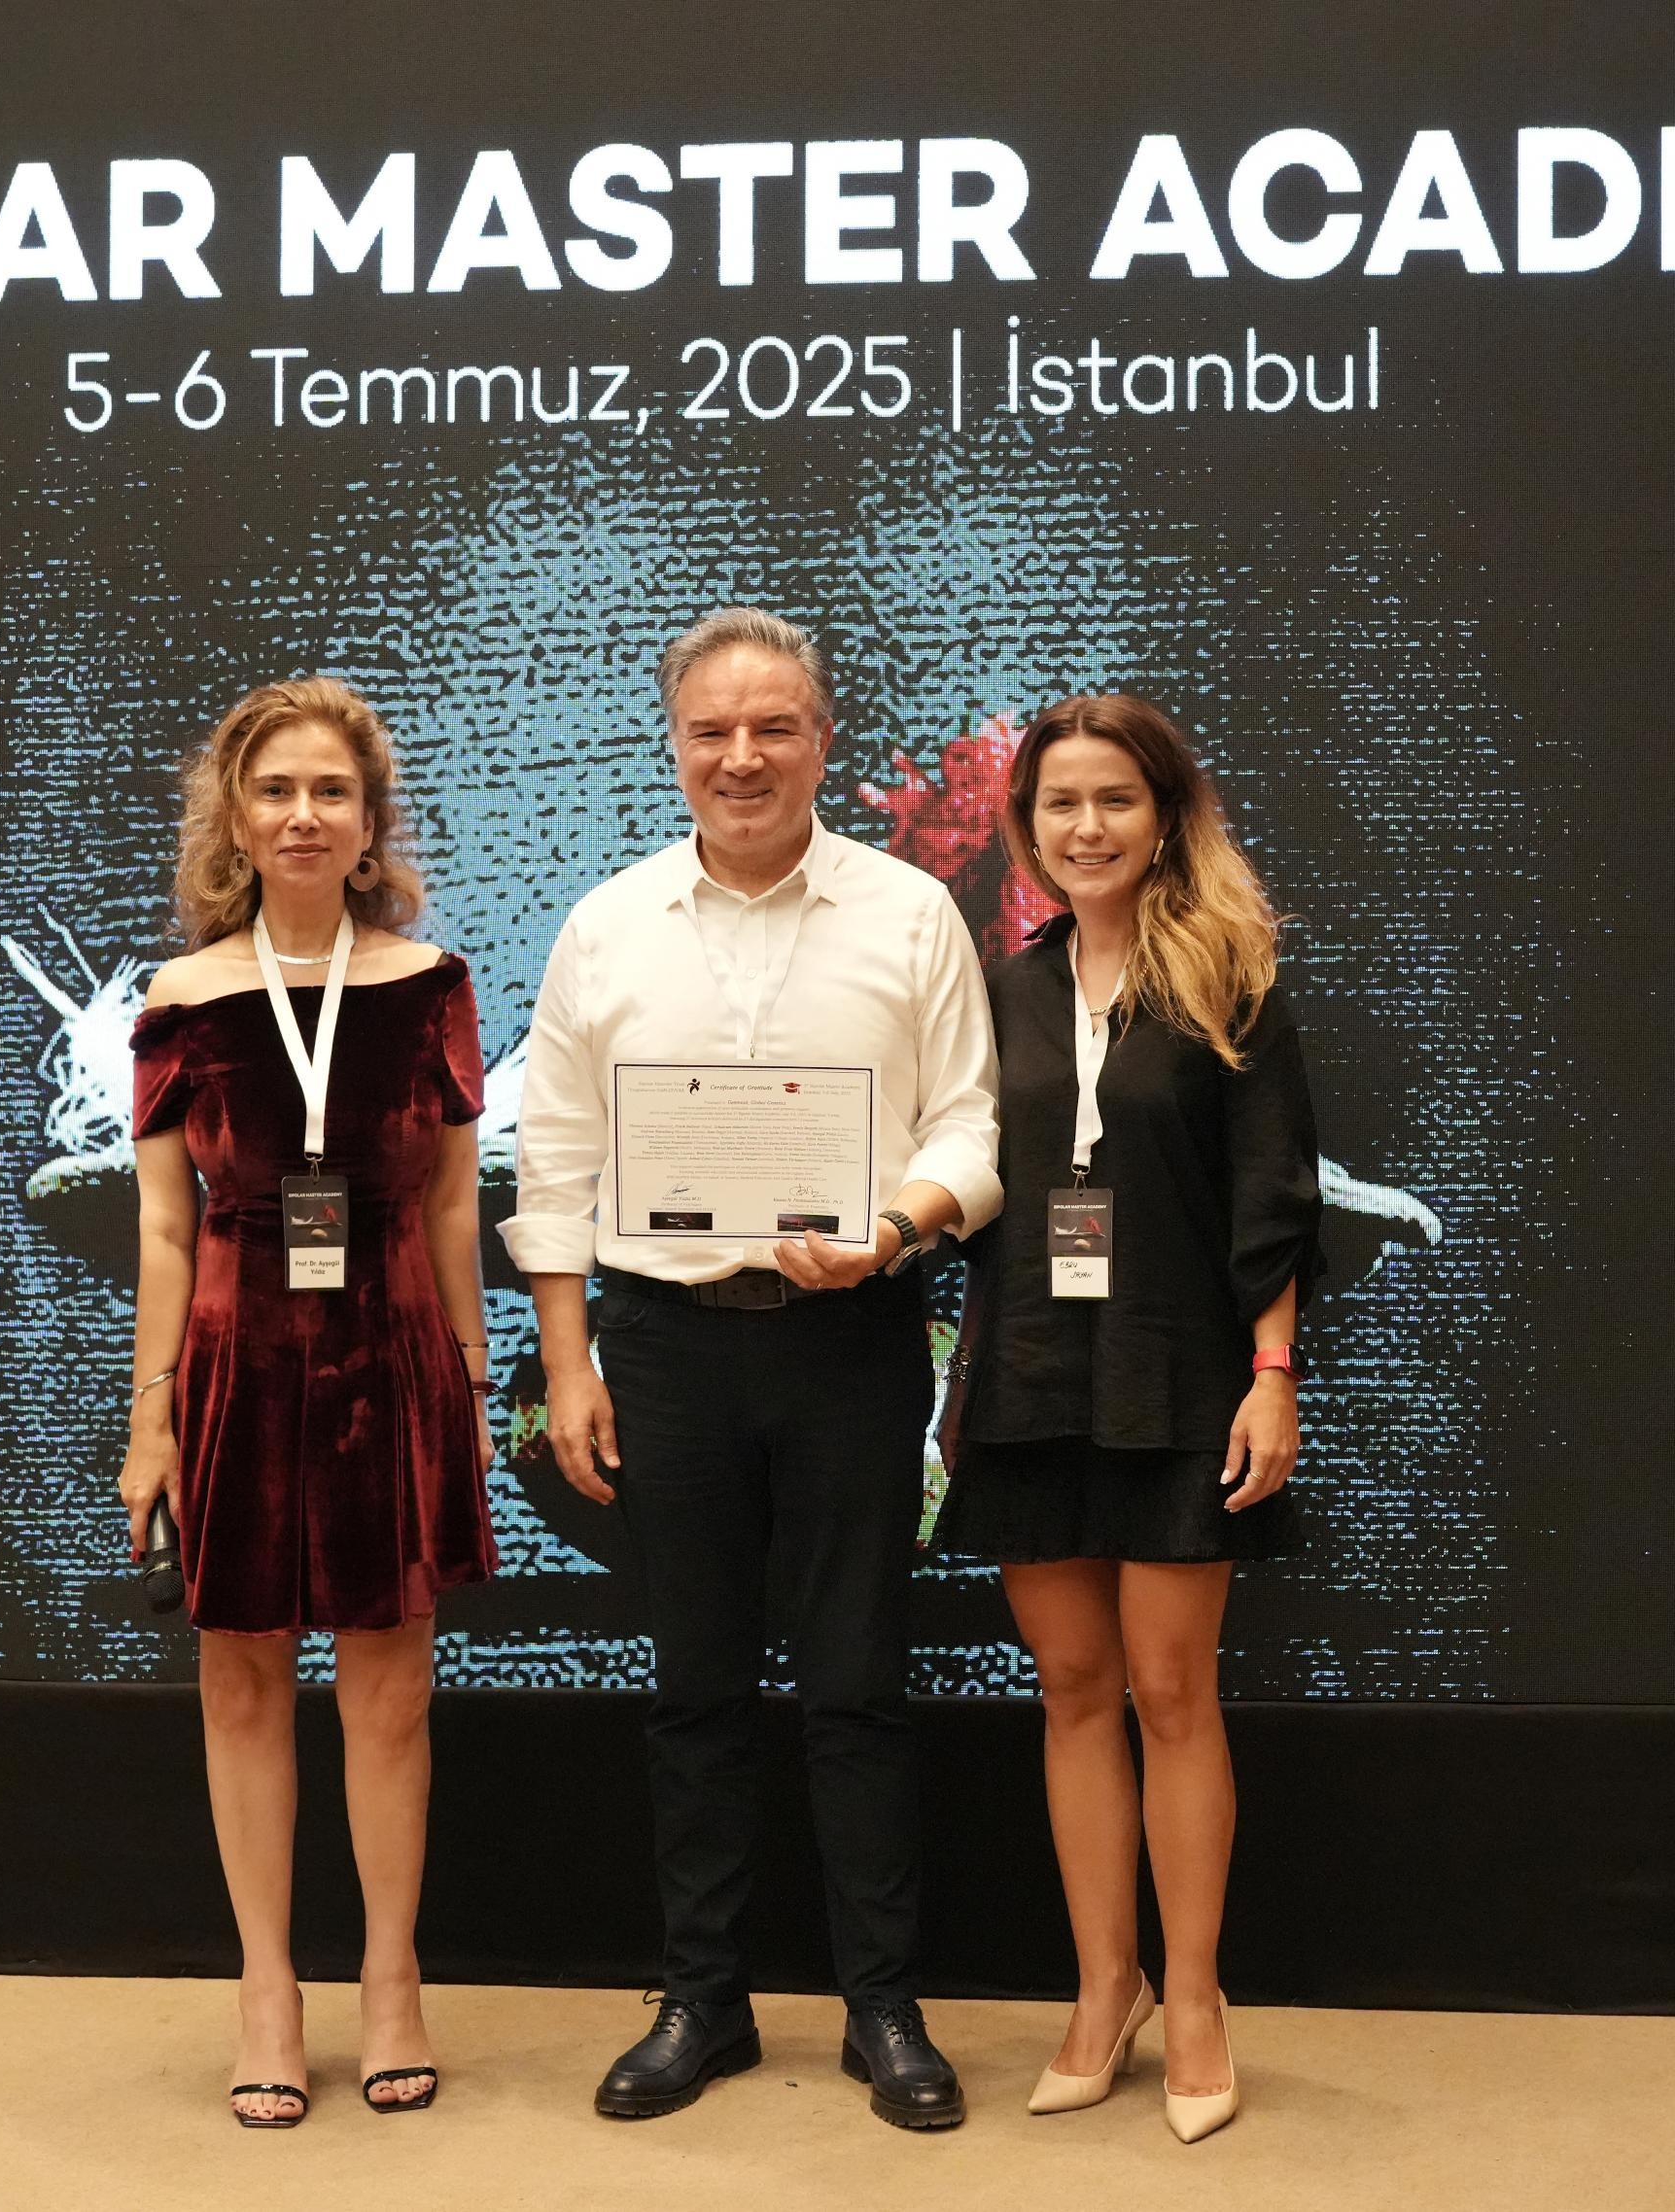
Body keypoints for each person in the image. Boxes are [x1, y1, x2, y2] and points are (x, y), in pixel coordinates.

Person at [504, 608, 1001, 2128]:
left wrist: (895, 1229)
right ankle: (701, 2002)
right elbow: (558, 1156)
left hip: (854, 1337)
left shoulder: (912, 914)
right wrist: (570, 1360)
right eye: (711, 730)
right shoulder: (609, 925)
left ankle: (883, 2007)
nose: (742, 756)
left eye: (774, 726)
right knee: (694, 1689)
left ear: (823, 741)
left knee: (859, 1686)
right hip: (663, 1346)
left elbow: (971, 1127)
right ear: (673, 747)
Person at [933, 693, 1320, 2146]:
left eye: (1114, 800)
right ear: (1025, 827)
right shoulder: (1003, 992)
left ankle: (1199, 1996)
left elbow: (1272, 1197)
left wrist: (1272, 1375)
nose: (1085, 828)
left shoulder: (1231, 981)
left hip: (1179, 1376)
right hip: (1030, 1377)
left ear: (1164, 818)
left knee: (1172, 1693)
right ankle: (1108, 1989)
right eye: (1059, 804)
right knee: (1074, 1691)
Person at [117, 677, 497, 2128]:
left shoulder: (432, 982)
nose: (303, 815)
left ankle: (392, 1981)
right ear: (234, 817)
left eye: (331, 790)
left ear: (368, 819)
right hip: (235, 1367)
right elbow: (164, 1229)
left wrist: (470, 1377)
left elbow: (453, 1205)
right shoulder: (181, 1000)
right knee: (244, 1681)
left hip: (393, 1364)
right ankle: (267, 1991)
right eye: (275, 790)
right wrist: (151, 1418)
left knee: (392, 1692)